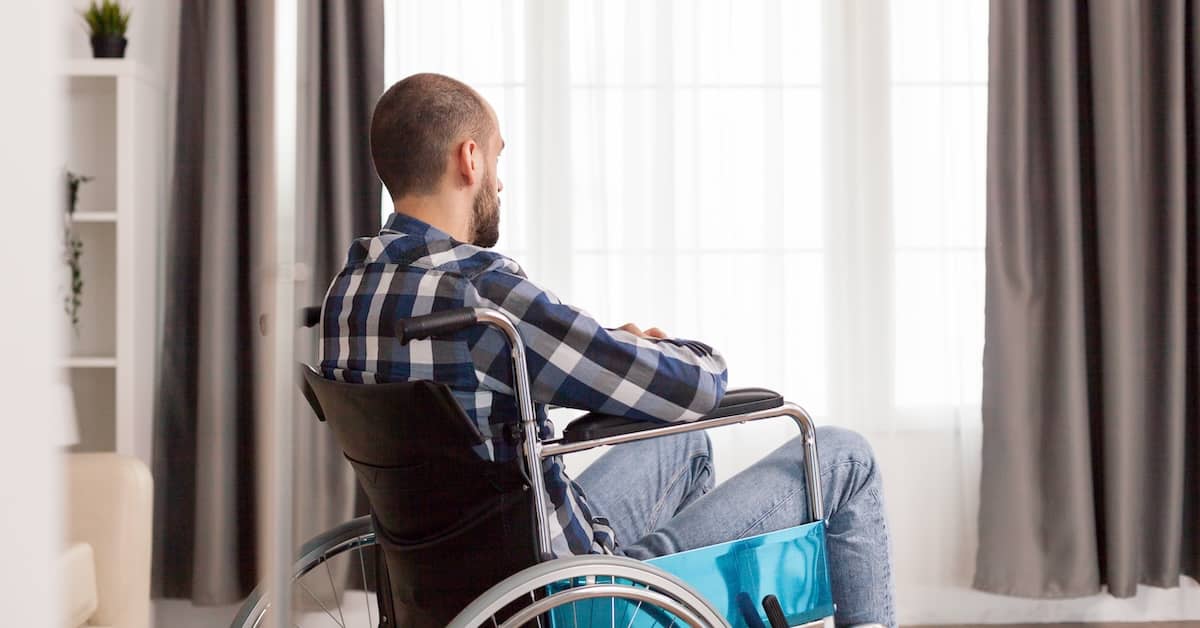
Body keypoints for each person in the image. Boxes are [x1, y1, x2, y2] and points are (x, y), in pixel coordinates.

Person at [320, 72, 897, 627]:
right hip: (566, 600)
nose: (499, 181)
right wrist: (663, 347)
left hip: (445, 589)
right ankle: (653, 601)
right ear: (469, 158)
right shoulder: (481, 299)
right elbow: (692, 389)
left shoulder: (347, 294)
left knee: (684, 446)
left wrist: (609, 351)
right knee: (846, 455)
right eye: (497, 158)